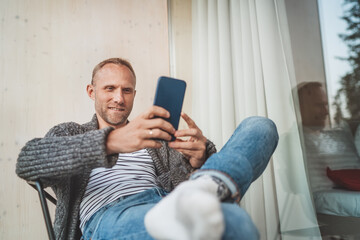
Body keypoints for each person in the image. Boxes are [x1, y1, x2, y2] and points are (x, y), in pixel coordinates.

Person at [16, 58, 279, 240]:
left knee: (261, 127)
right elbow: (28, 162)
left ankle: (210, 183)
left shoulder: (157, 136)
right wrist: (112, 141)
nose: (119, 98)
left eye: (126, 90)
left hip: (170, 201)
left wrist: (201, 158)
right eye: (110, 88)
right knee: (234, 224)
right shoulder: (70, 133)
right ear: (91, 91)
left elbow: (189, 174)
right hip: (110, 216)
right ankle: (204, 192)